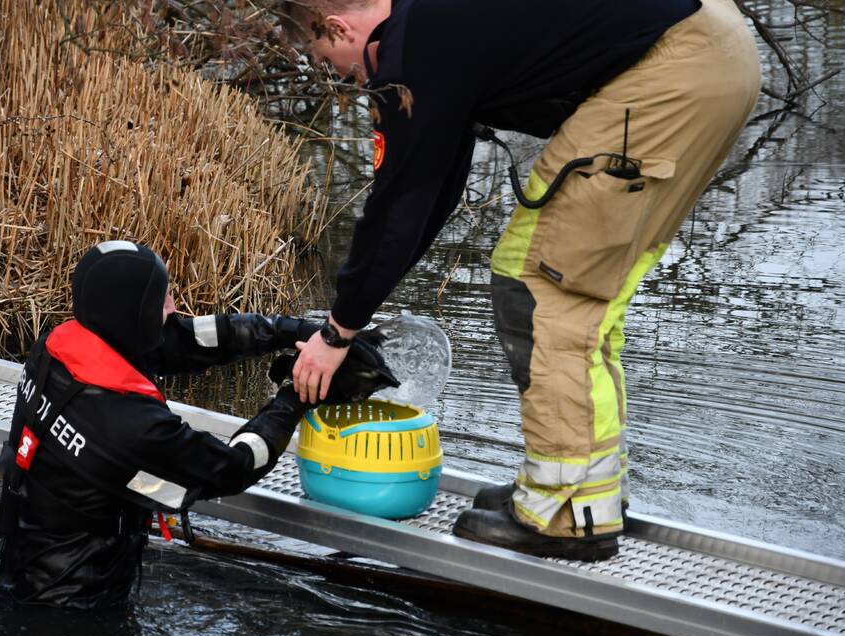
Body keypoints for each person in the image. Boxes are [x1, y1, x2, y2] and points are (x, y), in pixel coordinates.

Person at [283, 0, 761, 560]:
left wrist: (337, 331)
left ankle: (563, 513)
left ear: (338, 26)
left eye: (329, 61)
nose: (346, 79)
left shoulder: (411, 50)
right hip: (714, 51)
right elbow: (431, 191)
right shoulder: (434, 23)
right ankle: (591, 493)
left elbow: (396, 206)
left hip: (670, 68)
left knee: (544, 288)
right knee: (583, 296)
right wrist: (355, 312)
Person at [0, 240, 393, 608]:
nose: (173, 306)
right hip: (76, 612)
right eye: (162, 299)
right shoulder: (132, 427)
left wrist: (304, 335)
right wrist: (297, 396)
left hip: (16, 575)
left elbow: (187, 339)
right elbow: (234, 466)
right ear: (132, 314)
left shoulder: (53, 352)